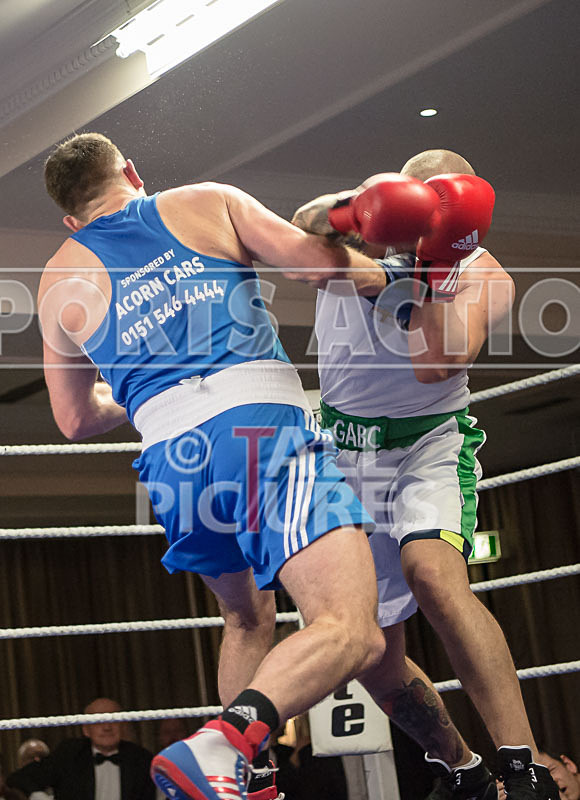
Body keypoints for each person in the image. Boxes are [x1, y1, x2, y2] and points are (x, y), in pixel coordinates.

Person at [34, 133, 443, 800]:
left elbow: (75, 419)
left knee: (247, 621)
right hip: (260, 431)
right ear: (132, 172)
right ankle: (224, 741)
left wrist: (139, 391)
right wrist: (399, 284)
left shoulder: (56, 278)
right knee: (352, 630)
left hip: (172, 462)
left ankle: (250, 786)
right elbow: (317, 267)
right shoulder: (205, 201)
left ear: (70, 220)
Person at [292, 149, 560, 800]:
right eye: (417, 198)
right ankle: (459, 765)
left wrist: (429, 270)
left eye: (438, 204)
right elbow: (302, 230)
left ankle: (522, 767)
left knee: (434, 576)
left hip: (428, 444)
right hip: (343, 449)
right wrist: (356, 211)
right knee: (366, 643)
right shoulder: (363, 220)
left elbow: (436, 365)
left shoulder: (485, 274)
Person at [7, 698, 154, 800]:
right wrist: (40, 797)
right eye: (98, 721)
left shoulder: (141, 759)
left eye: (113, 720)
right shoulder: (70, 753)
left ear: (123, 725)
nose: (107, 727)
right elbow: (20, 778)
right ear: (86, 729)